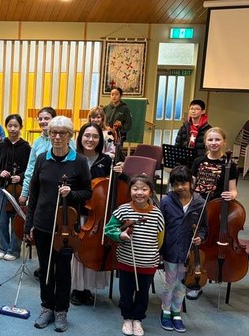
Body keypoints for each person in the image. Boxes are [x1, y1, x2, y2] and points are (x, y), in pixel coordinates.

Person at [24, 116, 91, 333]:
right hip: (43, 223)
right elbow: (34, 193)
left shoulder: (79, 161)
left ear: (70, 136)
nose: (57, 137)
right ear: (49, 135)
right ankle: (47, 307)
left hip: (66, 227)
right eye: (53, 132)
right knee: (45, 269)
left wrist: (71, 194)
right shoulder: (43, 158)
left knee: (62, 270)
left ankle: (61, 310)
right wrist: (29, 224)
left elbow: (87, 193)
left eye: (63, 133)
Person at [104, 174, 165, 336]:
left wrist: (154, 253)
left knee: (142, 293)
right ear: (129, 191)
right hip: (126, 261)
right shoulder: (123, 210)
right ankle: (127, 318)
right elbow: (109, 229)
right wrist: (120, 235)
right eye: (135, 189)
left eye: (144, 189)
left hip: (148, 263)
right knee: (125, 292)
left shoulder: (157, 214)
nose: (140, 192)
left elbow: (160, 238)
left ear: (151, 192)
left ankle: (137, 319)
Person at [187, 127, 238, 300]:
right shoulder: (198, 161)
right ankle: (195, 280)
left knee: (212, 241)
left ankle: (214, 272)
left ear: (224, 142)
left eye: (217, 140)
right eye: (210, 140)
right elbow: (192, 186)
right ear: (205, 142)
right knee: (196, 244)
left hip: (218, 208)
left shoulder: (230, 164)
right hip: (198, 207)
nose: (214, 143)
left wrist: (231, 195)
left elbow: (233, 190)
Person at [158, 165, 207, 333]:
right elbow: (160, 226)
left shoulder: (200, 203)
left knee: (182, 283)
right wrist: (159, 250)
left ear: (191, 183)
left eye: (183, 183)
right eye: (176, 184)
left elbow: (203, 227)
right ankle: (165, 311)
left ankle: (176, 312)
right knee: (170, 282)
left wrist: (201, 236)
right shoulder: (166, 201)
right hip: (171, 249)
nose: (179, 187)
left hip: (190, 251)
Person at [70, 122, 113, 306]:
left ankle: (88, 288)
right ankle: (77, 288)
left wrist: (121, 174)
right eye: (87, 135)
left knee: (93, 248)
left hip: (98, 213)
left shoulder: (106, 160)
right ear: (81, 138)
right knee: (78, 248)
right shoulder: (73, 158)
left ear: (100, 140)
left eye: (95, 136)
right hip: (77, 210)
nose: (90, 139)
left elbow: (113, 189)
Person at [0, 114, 31, 261]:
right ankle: (2, 247)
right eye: (10, 126)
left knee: (16, 219)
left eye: (16, 126)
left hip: (19, 189)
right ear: (6, 127)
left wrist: (20, 176)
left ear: (21, 127)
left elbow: (31, 169)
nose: (12, 129)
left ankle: (14, 250)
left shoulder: (26, 147)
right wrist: (1, 172)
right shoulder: (0, 146)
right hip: (2, 188)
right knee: (1, 218)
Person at [19, 106, 58, 206]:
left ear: (54, 119)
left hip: (56, 190)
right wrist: (24, 192)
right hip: (38, 189)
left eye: (46, 118)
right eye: (40, 119)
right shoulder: (37, 142)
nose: (43, 121)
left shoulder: (64, 140)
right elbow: (30, 168)